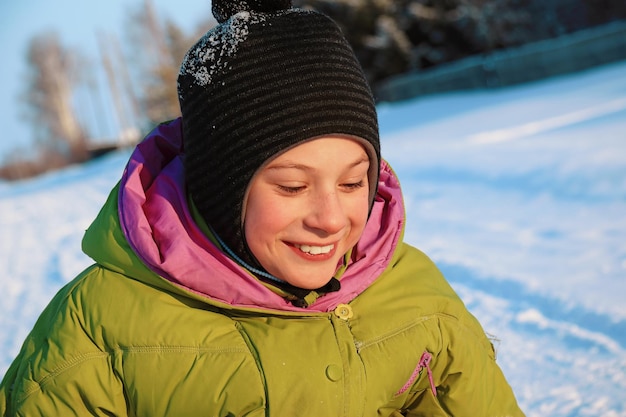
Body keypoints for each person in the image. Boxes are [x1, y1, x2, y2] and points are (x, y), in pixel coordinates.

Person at [0, 0, 525, 415]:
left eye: (352, 182)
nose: (331, 217)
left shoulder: (414, 296)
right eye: (293, 187)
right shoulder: (98, 330)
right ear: (221, 190)